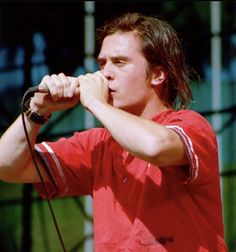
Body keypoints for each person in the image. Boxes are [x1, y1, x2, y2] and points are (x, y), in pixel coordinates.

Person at [0, 12, 227, 251]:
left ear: (158, 74)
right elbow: (7, 165)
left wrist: (96, 103)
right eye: (102, 63)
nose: (105, 74)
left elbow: (155, 146)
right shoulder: (96, 144)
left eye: (119, 62)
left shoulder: (191, 125)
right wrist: (35, 112)